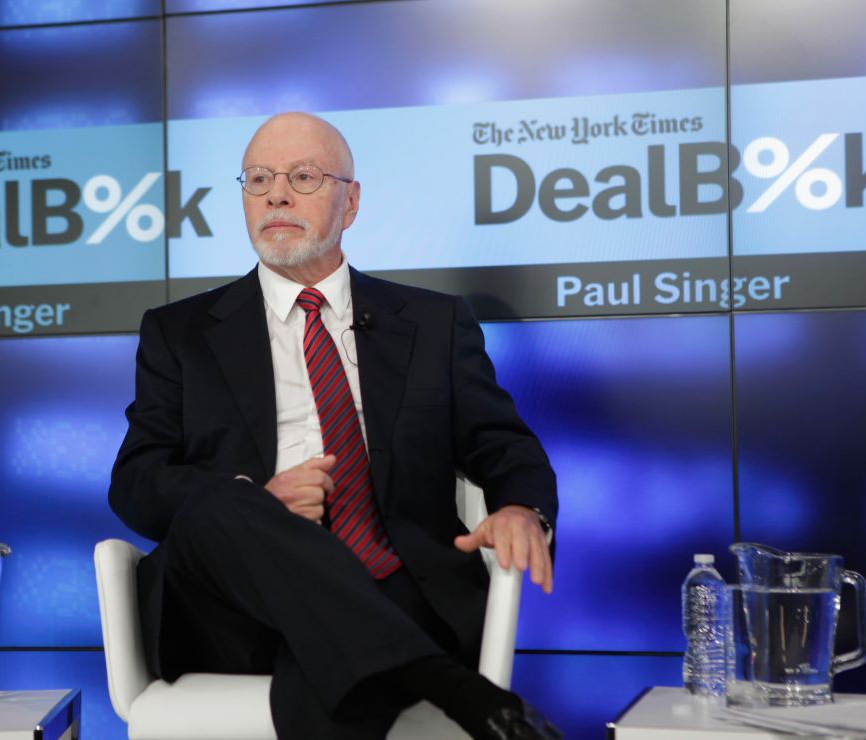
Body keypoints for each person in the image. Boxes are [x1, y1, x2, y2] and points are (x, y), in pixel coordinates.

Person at [109, 111, 562, 739]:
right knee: (226, 503)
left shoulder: (432, 324)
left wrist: (521, 510)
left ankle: (436, 679)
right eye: (258, 178)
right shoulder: (179, 332)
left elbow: (501, 443)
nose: (276, 193)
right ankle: (455, 688)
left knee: (334, 674)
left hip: (392, 586)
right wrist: (257, 502)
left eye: (303, 176)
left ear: (350, 203)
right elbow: (137, 480)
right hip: (228, 607)